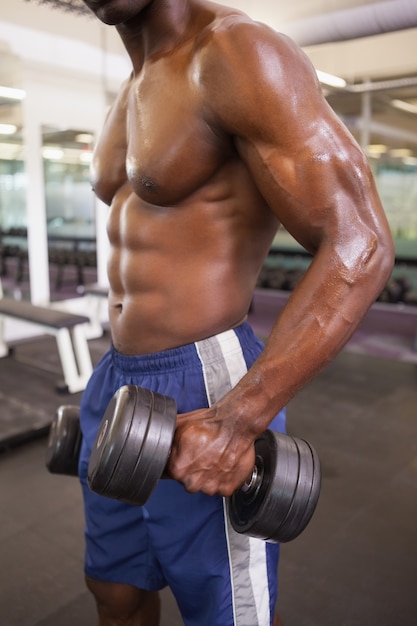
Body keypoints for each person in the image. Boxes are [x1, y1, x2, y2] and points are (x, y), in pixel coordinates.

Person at [77, 1, 394, 625]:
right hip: (117, 375)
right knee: (114, 590)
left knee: (223, 611)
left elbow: (362, 241)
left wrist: (238, 418)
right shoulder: (131, 88)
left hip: (205, 378)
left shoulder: (234, 53)